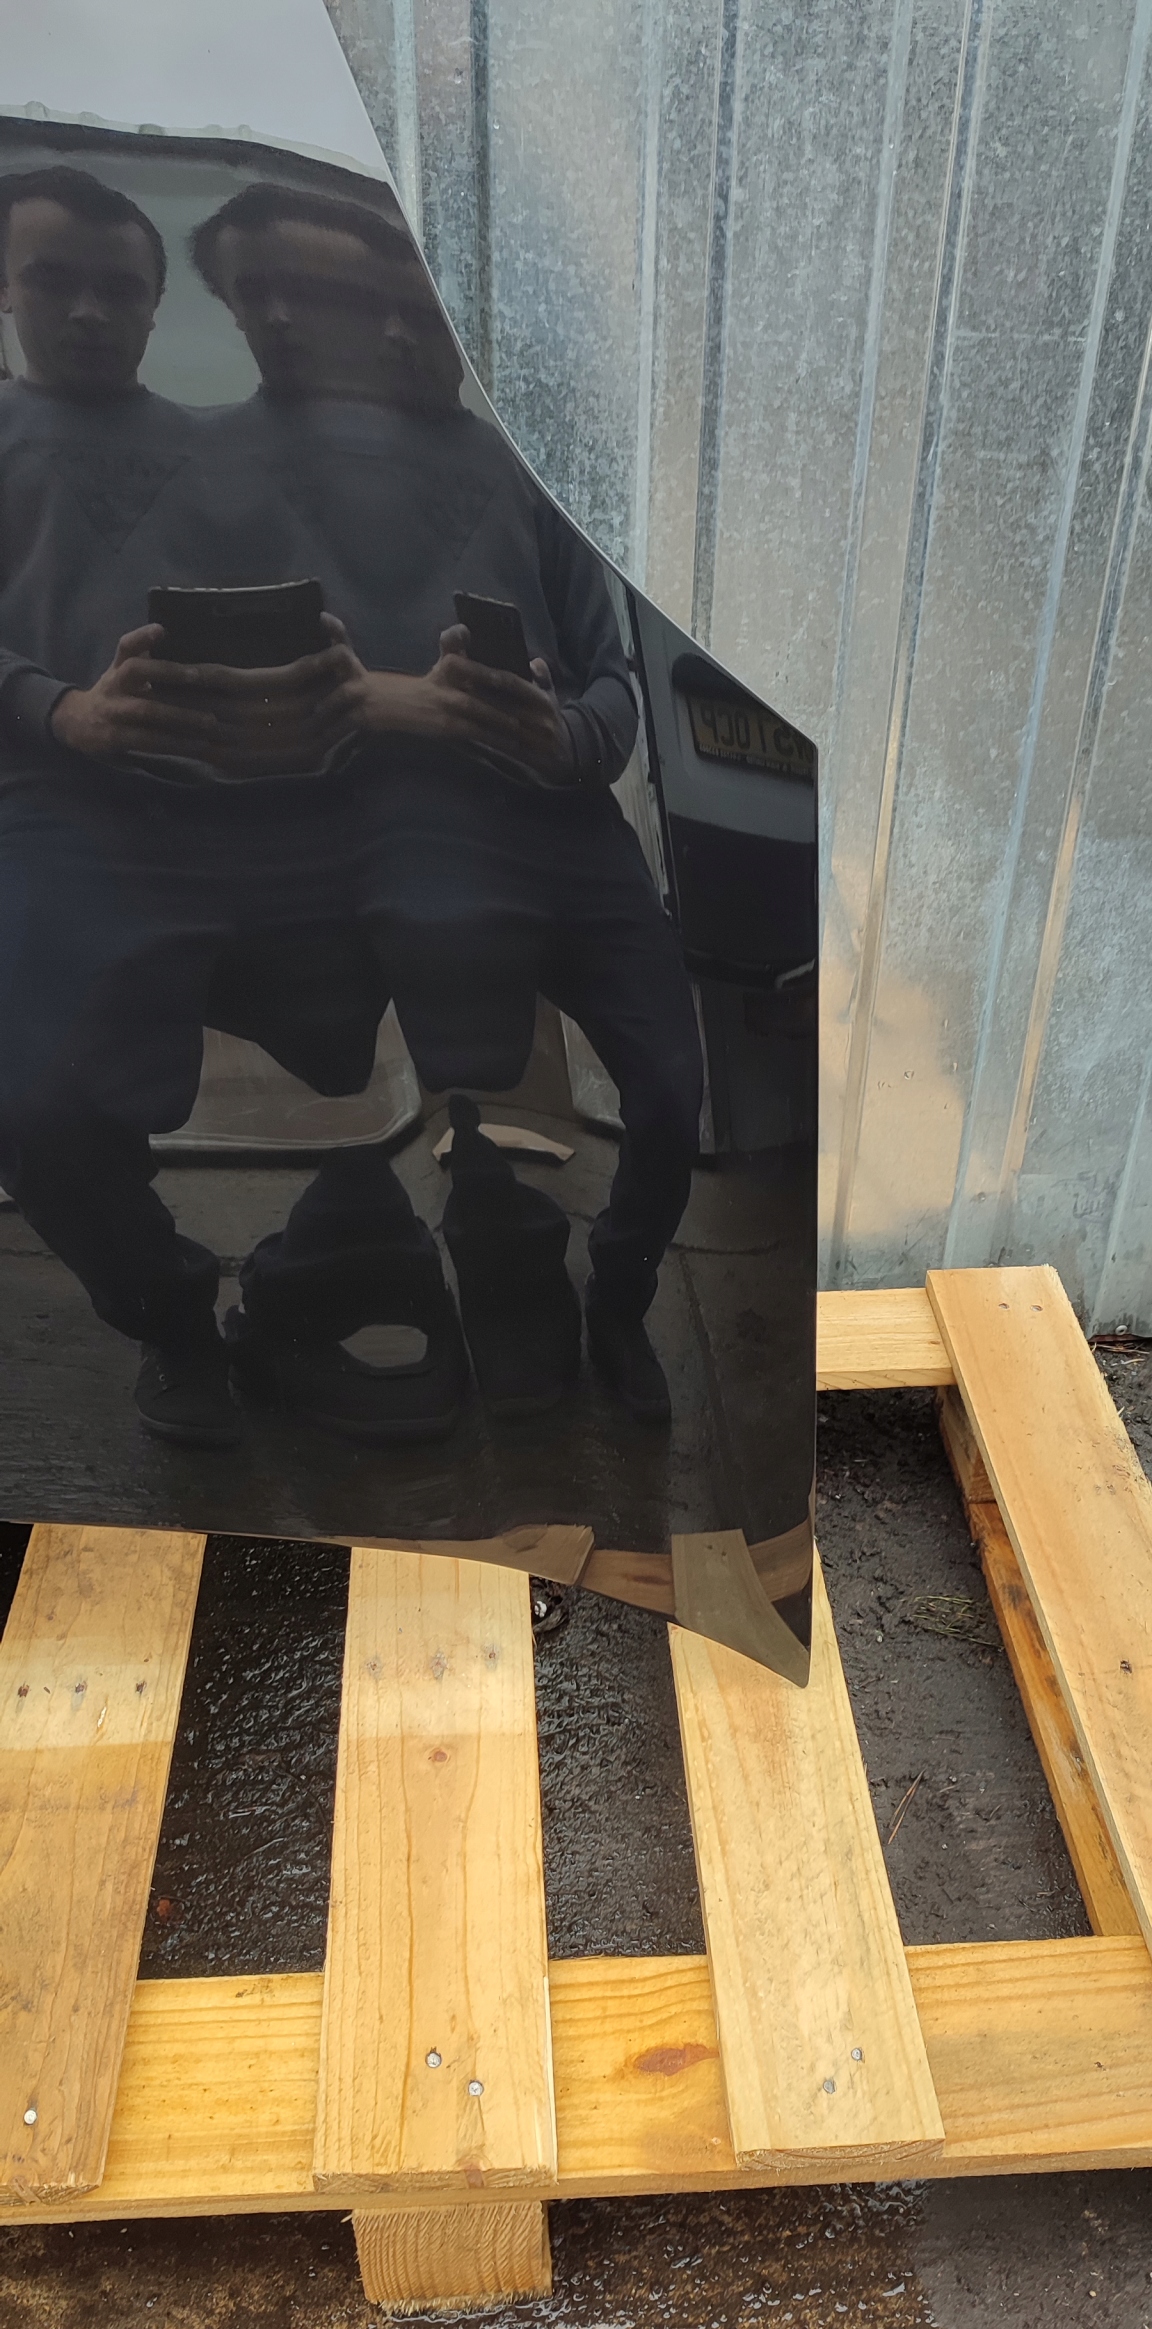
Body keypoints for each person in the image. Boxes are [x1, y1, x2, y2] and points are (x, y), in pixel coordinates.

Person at [191, 182, 704, 1422]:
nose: (401, 337)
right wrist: (384, 709)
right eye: (374, 310)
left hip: (566, 836)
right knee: (423, 1093)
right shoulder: (233, 468)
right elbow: (217, 691)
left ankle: (618, 1298)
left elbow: (613, 680)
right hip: (375, 849)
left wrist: (560, 736)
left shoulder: (531, 472)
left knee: (670, 1091)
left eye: (432, 318)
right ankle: (442, 1284)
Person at [0, 163, 469, 1449]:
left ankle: (421, 1245)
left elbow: (333, 609)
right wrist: (62, 710)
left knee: (433, 960)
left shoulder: (224, 452)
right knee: (38, 1103)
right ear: (6, 287)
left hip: (258, 812)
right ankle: (172, 1317)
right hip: (54, 816)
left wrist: (339, 701)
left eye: (117, 288)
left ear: (154, 306)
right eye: (54, 280)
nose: (87, 311)